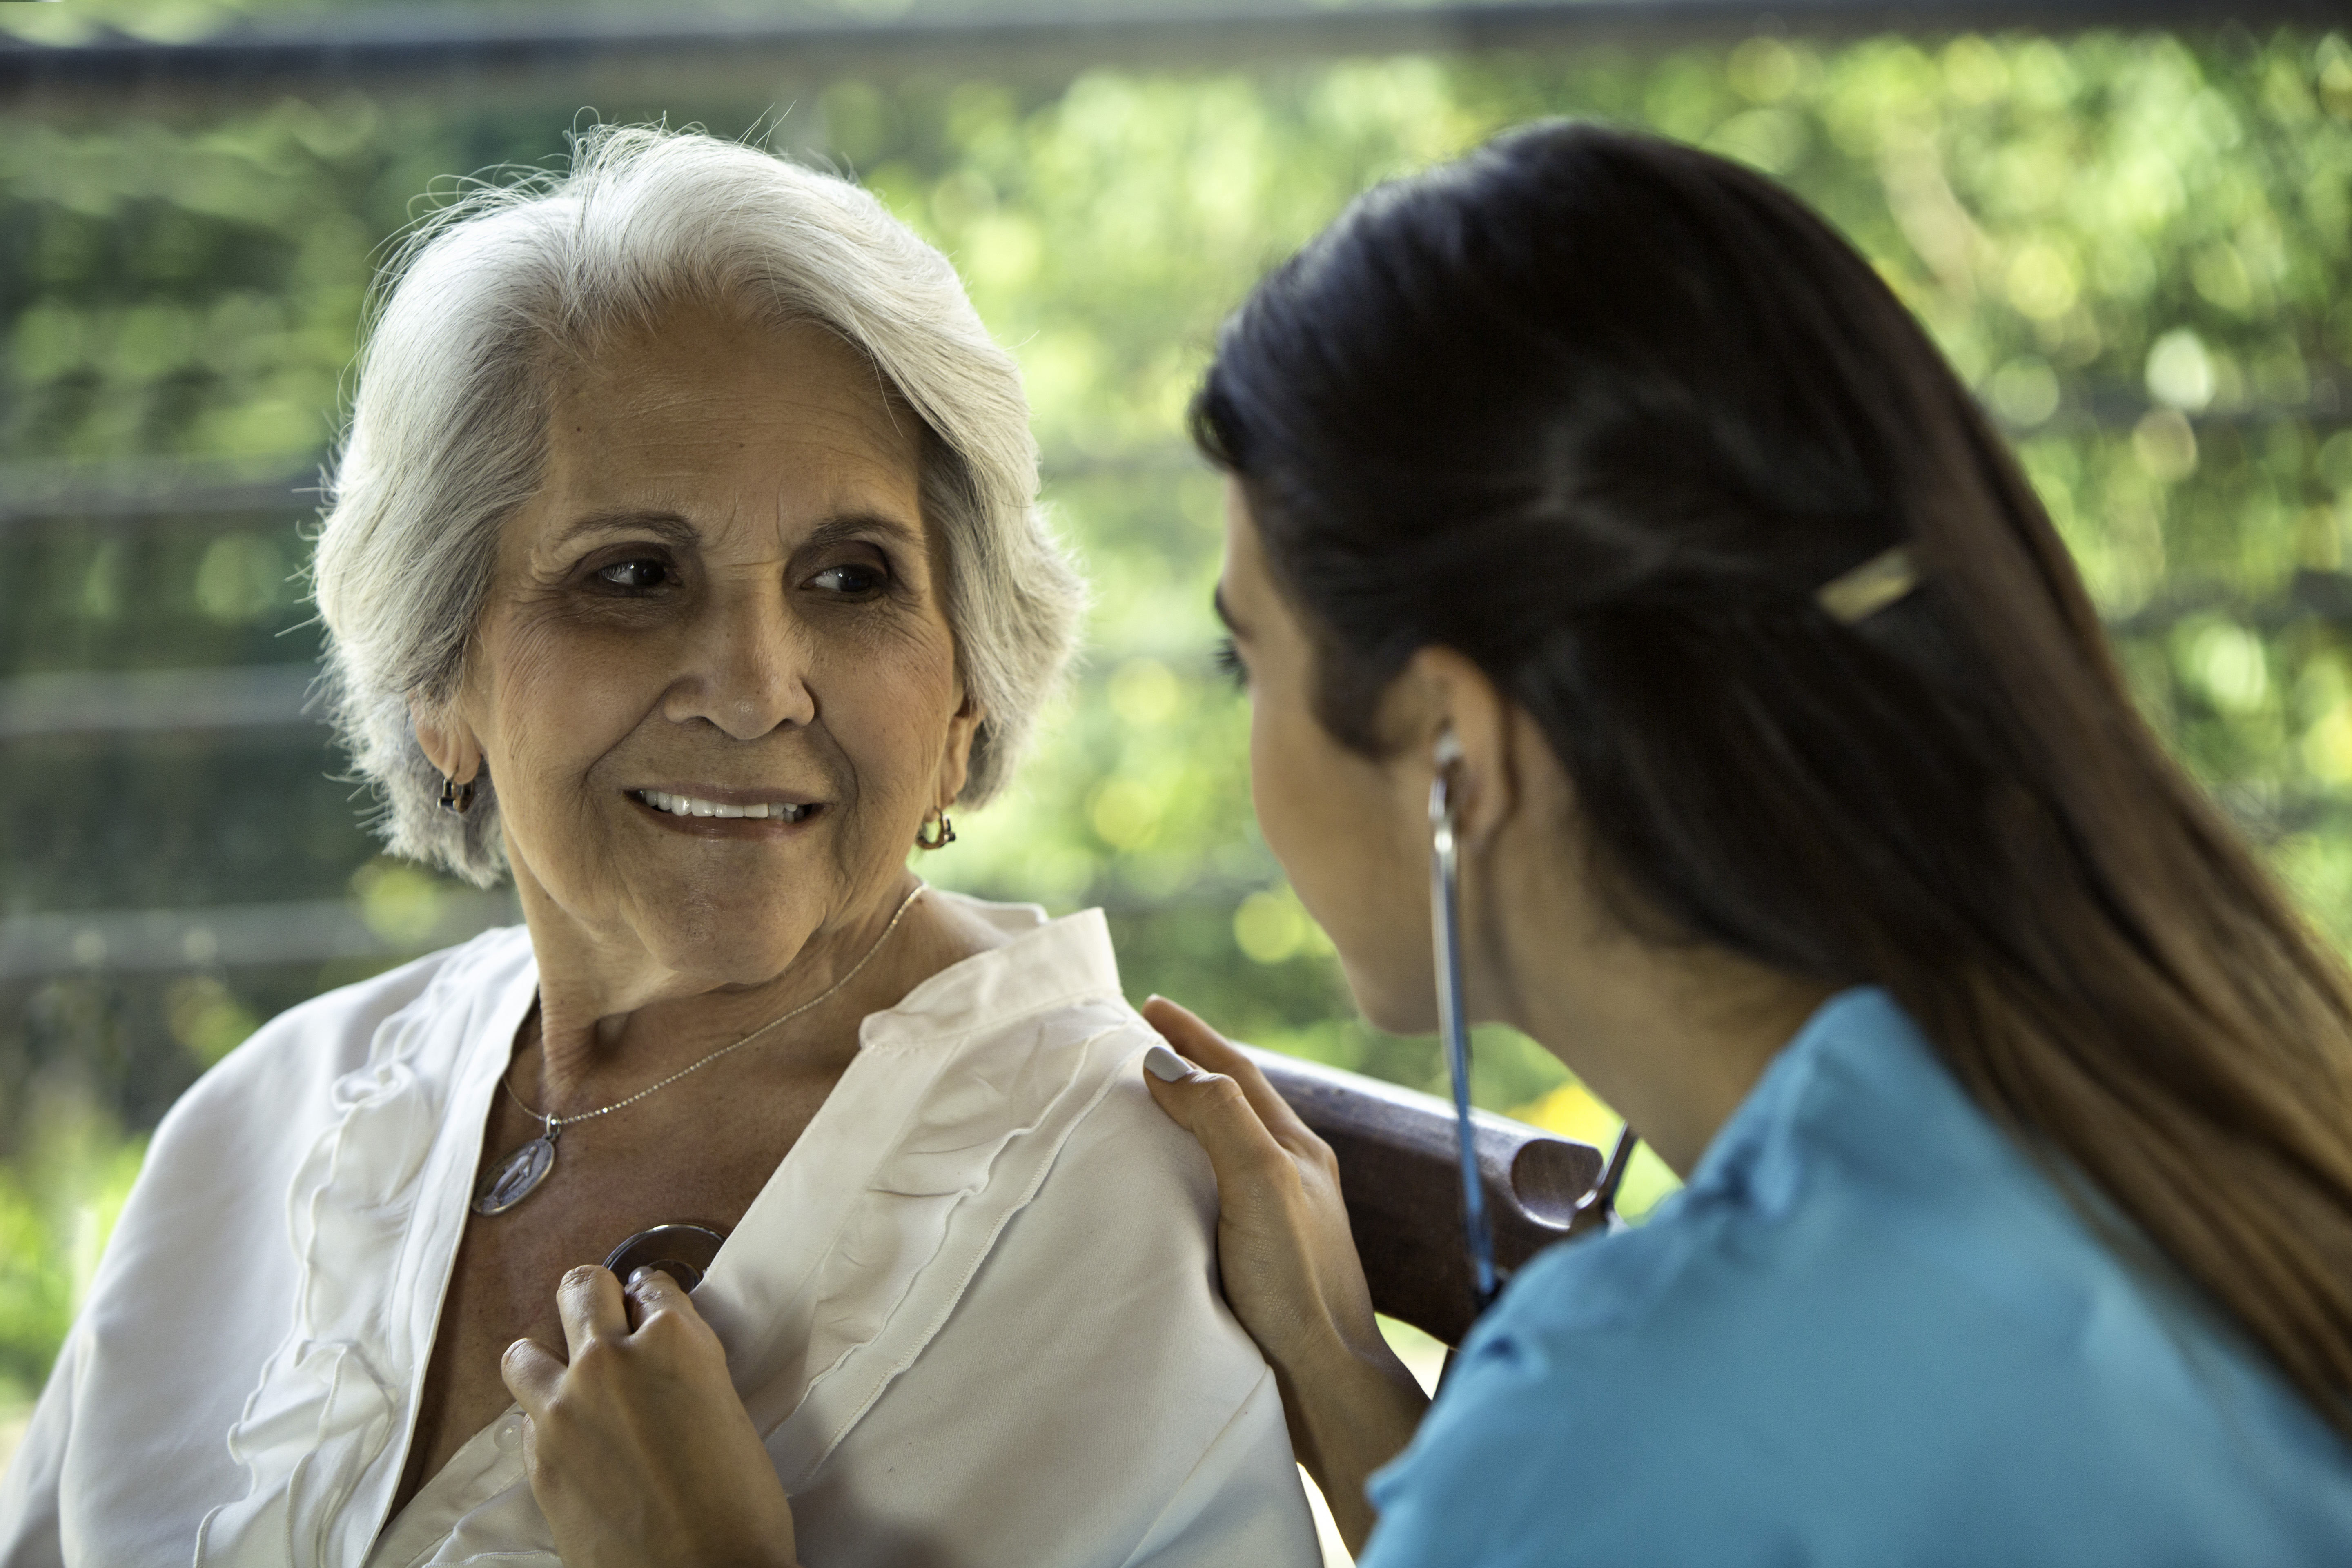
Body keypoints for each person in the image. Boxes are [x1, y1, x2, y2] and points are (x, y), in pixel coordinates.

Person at [0, 126, 1319, 1568]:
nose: (756, 687)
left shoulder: (1106, 1212)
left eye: (850, 577)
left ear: (965, 697)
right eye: (632, 575)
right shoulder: (266, 1126)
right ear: (440, 681)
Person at [1138, 120, 2352, 1564]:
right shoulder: (2192, 1105)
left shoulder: (1621, 1433)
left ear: (1455, 744)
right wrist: (1351, 1385)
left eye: (1248, 662)